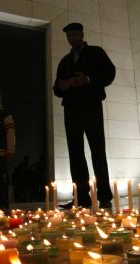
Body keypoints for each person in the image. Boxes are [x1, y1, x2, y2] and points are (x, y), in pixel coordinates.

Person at [53, 23, 116, 210]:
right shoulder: (64, 61)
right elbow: (56, 88)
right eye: (68, 36)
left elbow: (110, 73)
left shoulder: (96, 52)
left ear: (81, 34)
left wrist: (89, 79)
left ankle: (104, 196)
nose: (71, 38)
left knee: (98, 150)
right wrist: (63, 86)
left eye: (74, 34)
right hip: (71, 109)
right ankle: (81, 197)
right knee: (75, 153)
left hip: (91, 106)